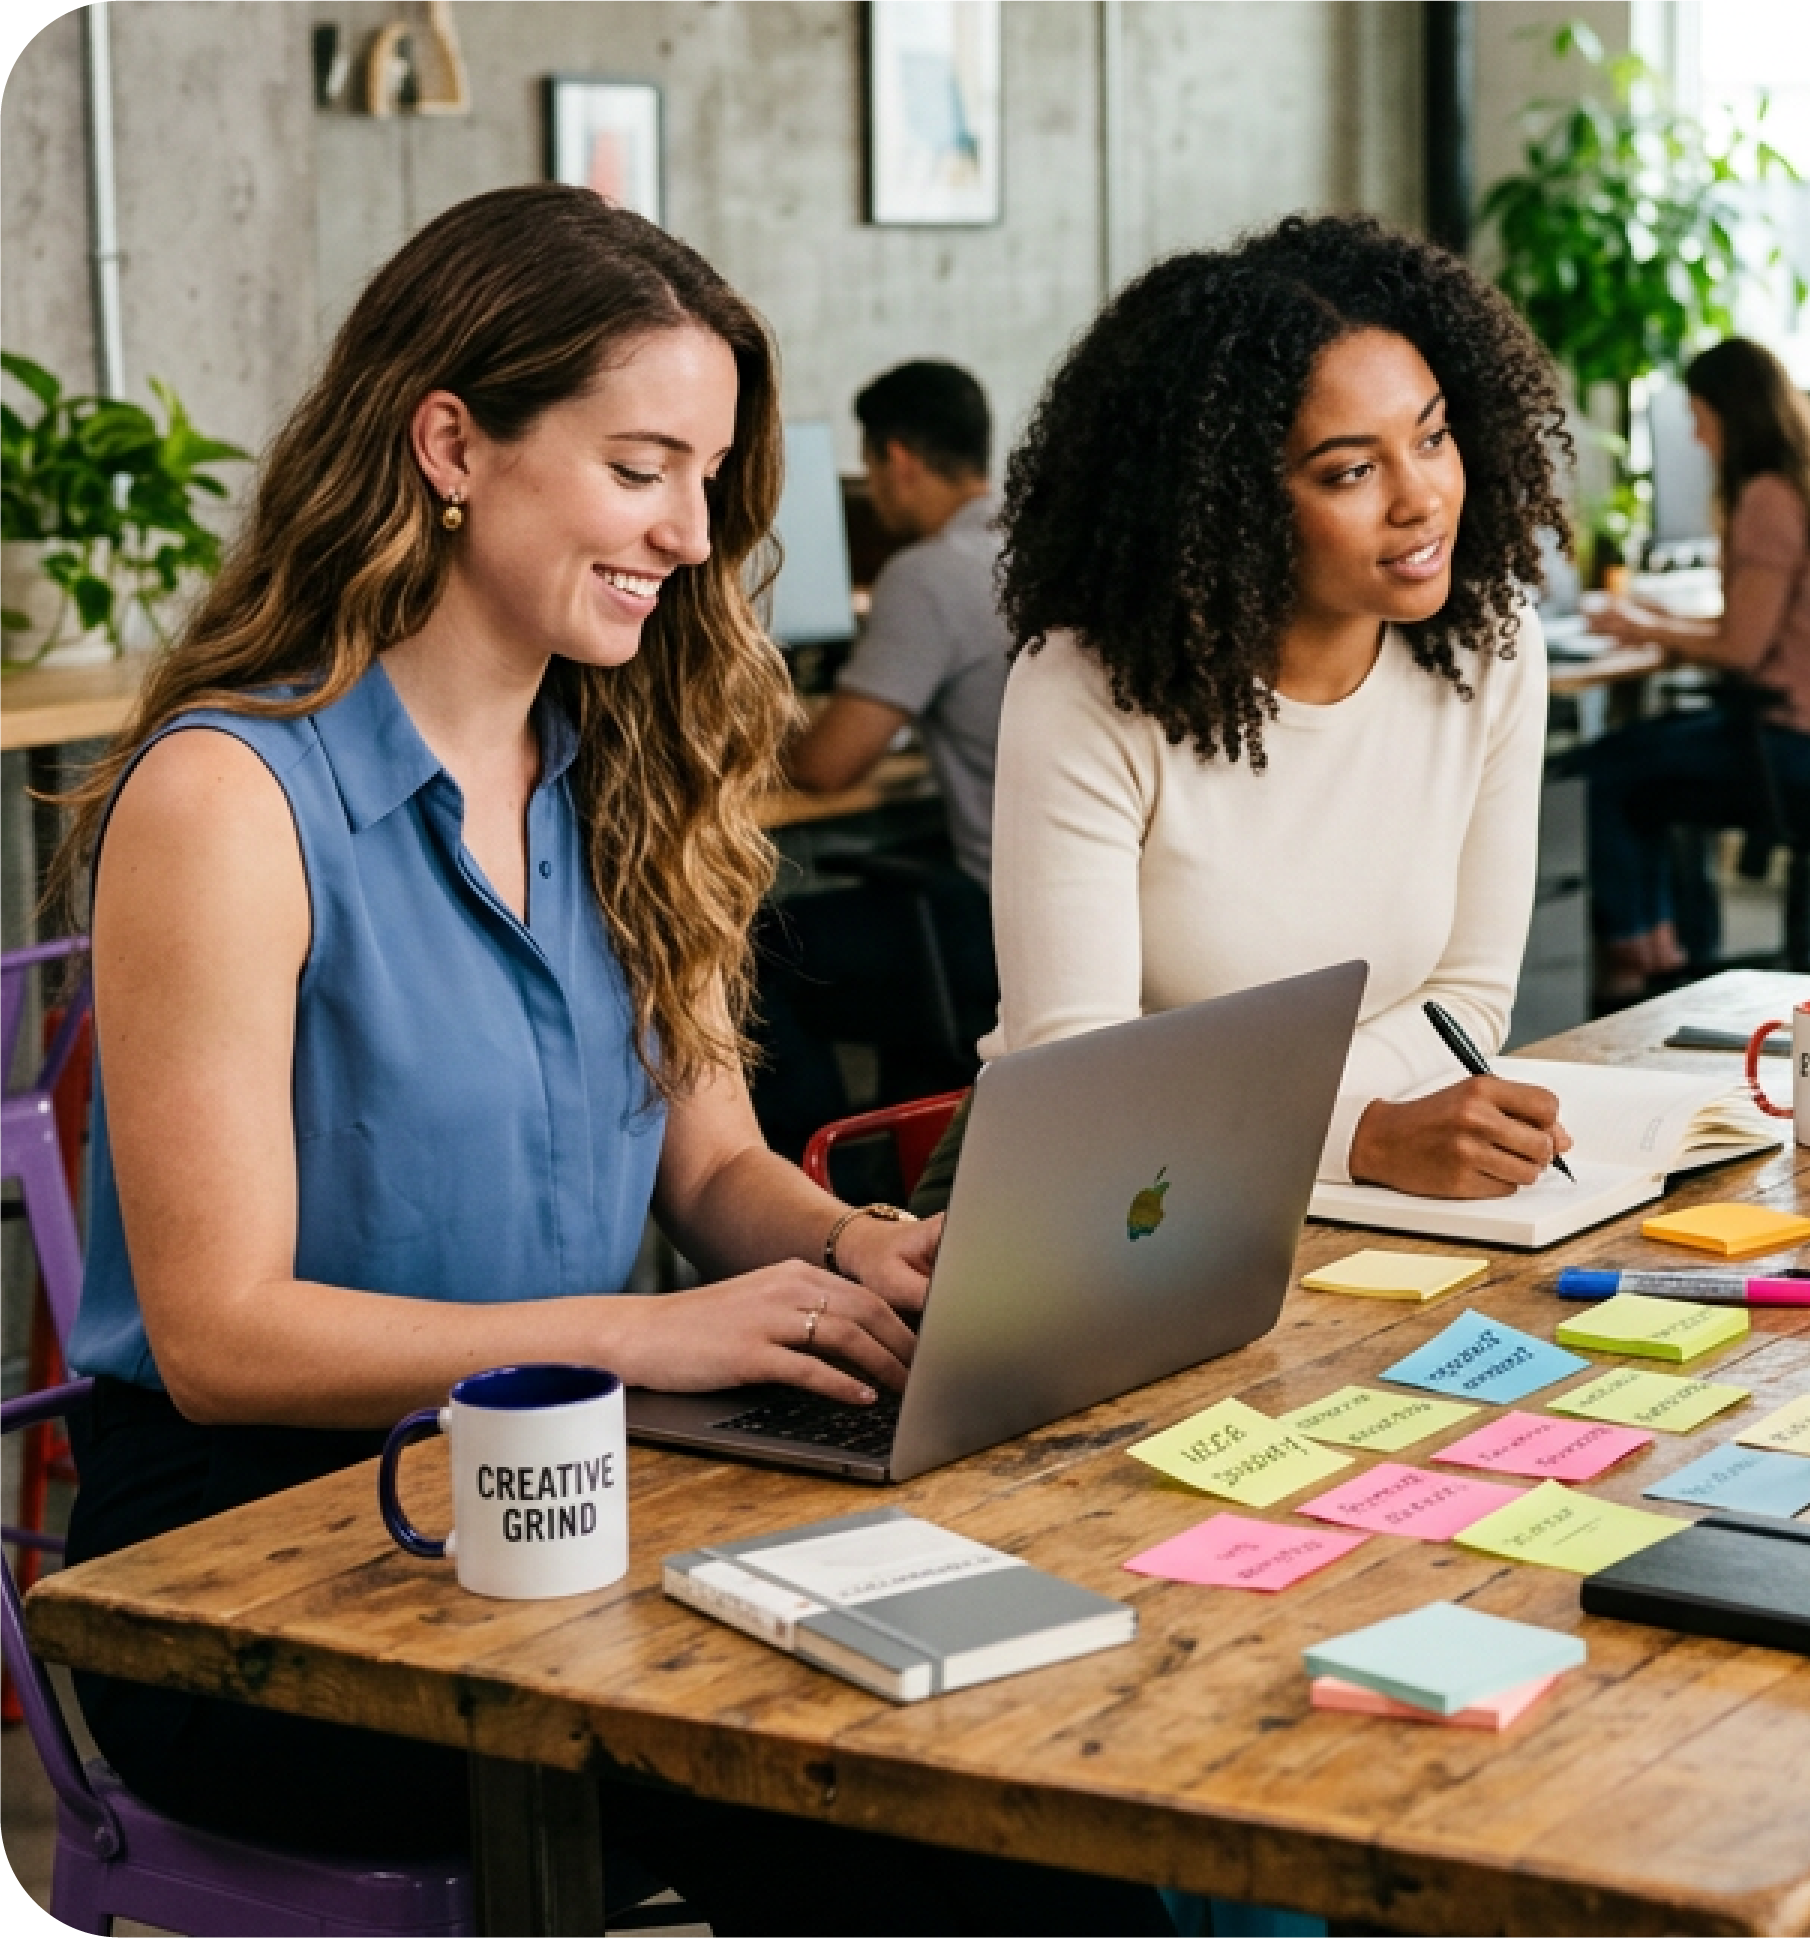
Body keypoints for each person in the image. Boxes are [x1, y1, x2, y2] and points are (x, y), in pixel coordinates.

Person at [56, 184, 1169, 1937]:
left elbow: (714, 1169)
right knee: (930, 1824)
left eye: (708, 479)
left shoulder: (623, 768)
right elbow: (216, 1334)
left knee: (1041, 1743)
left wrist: (848, 1254)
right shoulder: (231, 796)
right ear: (451, 443)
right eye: (640, 466)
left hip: (582, 1477)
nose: (688, 529)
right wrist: (649, 1335)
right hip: (248, 1558)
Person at [904, 213, 1579, 1213]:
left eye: (1432, 437)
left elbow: (1467, 999)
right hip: (1087, 1193)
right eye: (1351, 471)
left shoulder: (1490, 643)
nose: (1420, 499)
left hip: (1356, 1186)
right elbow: (1077, 1069)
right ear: (1226, 504)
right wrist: (1357, 1131)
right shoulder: (1088, 686)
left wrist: (1347, 1138)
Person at [752, 360, 1006, 1151]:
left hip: (988, 930)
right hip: (1055, 920)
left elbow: (828, 766)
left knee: (744, 958)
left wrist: (743, 729)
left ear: (896, 457)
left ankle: (820, 1191)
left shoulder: (930, 573)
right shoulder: (1032, 544)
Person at [1583, 337, 1810, 997]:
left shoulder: (1768, 498)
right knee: (1647, 769)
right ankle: (1670, 945)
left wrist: (1640, 625)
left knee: (1610, 767)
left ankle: (1637, 954)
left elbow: (1740, 650)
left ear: (1732, 414)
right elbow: (1749, 629)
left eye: (1700, 417)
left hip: (1788, 741)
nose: (1694, 436)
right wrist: (1656, 625)